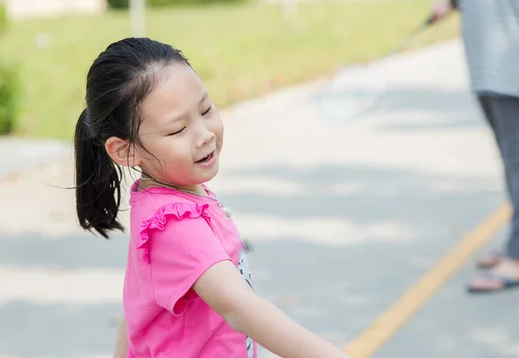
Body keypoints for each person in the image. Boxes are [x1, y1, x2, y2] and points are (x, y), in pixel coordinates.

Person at [74, 37, 350, 357]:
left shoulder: (162, 198)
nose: (204, 134)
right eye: (178, 130)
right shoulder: (173, 224)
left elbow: (136, 305)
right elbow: (239, 308)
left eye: (206, 110)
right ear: (125, 150)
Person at [431, 0, 519, 293]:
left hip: (511, 65)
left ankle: (518, 260)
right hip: (482, 65)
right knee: (508, 159)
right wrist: (453, 2)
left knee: (518, 160)